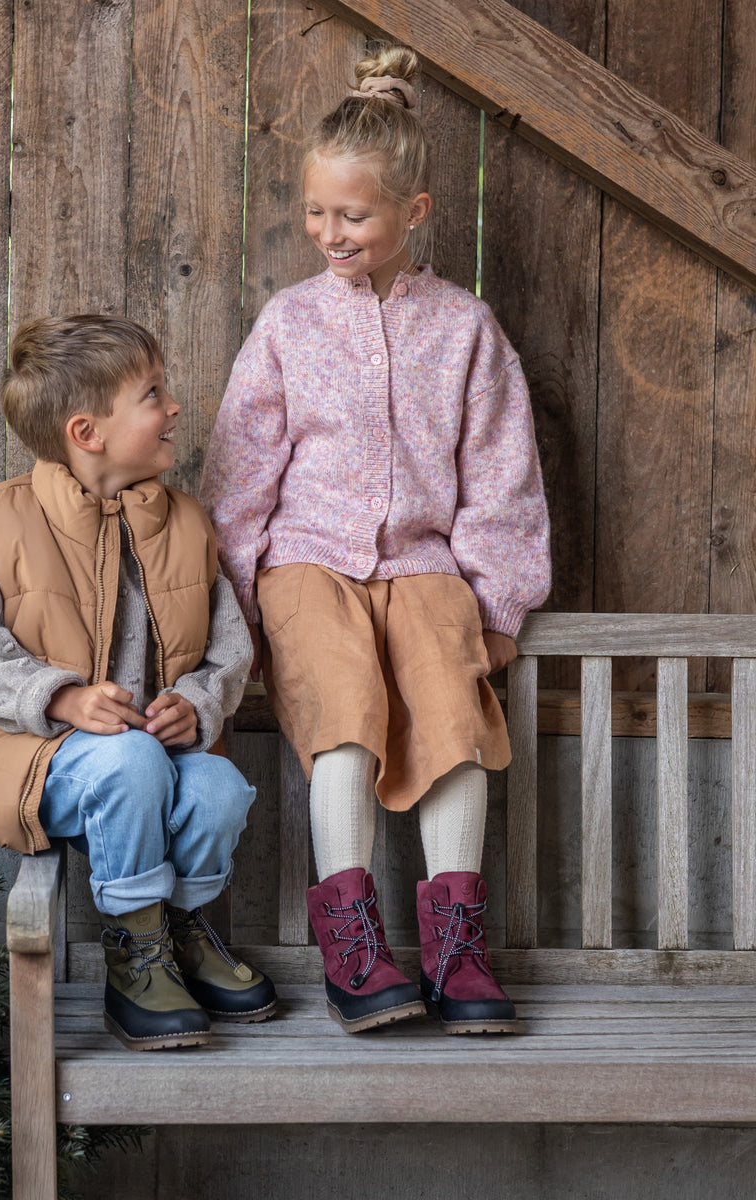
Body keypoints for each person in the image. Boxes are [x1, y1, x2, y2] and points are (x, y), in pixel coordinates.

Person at [202, 46, 550, 1035]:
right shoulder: (288, 326)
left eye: (352, 215)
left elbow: (502, 478)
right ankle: (353, 945)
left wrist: (495, 601)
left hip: (427, 564)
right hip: (306, 563)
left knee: (453, 722)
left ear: (415, 212)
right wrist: (235, 610)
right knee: (343, 713)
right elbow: (238, 480)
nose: (329, 233)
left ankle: (454, 947)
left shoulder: (465, 330)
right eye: (316, 212)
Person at [0, 313, 276, 1052]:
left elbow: (228, 650)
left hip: (144, 756)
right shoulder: (5, 522)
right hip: (28, 755)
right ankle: (134, 953)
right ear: (88, 432)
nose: (175, 406)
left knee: (214, 785)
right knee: (130, 759)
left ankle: (182, 929)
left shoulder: (185, 524)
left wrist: (197, 704)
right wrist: (58, 697)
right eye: (153, 395)